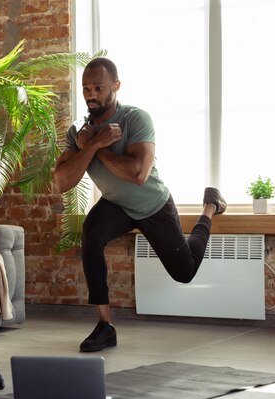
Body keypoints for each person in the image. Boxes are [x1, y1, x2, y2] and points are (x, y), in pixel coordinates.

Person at [53, 58, 227, 352]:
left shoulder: (136, 119)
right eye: (86, 88)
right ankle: (105, 326)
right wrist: (93, 144)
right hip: (116, 204)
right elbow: (60, 182)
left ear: (116, 87)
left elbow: (137, 174)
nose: (91, 94)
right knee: (91, 235)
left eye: (98, 87)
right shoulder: (79, 133)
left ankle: (210, 206)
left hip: (152, 204)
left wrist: (97, 147)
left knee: (184, 272)